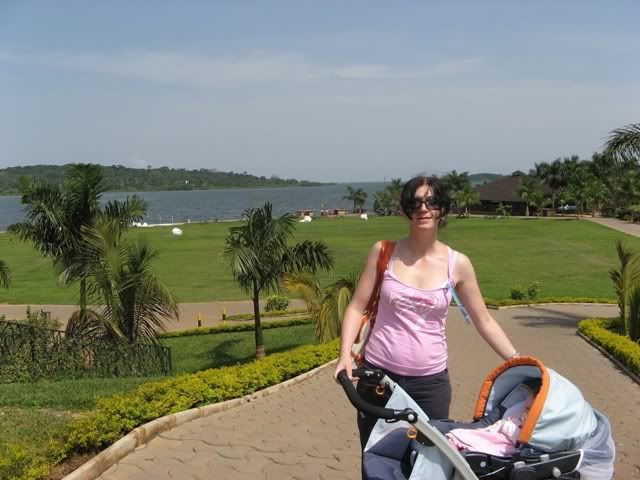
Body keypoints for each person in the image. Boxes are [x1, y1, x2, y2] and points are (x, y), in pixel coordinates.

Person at [333, 175, 520, 452]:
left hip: (430, 386)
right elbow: (356, 306)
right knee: (376, 459)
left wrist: (517, 361)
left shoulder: (458, 264)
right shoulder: (384, 252)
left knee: (427, 462)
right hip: (378, 379)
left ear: (442, 209)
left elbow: (484, 320)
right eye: (415, 202)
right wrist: (345, 356)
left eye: (431, 202)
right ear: (405, 210)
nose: (423, 208)